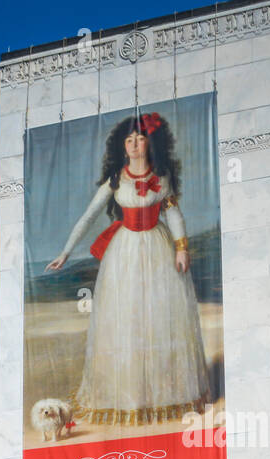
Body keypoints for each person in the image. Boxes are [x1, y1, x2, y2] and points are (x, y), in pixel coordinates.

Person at [45, 112, 212, 426]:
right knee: (127, 319)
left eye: (140, 138)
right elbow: (88, 216)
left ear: (151, 142)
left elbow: (174, 215)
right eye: (130, 139)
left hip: (159, 249)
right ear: (122, 146)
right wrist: (65, 252)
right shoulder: (115, 180)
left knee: (160, 318)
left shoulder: (161, 178)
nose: (135, 144)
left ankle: (162, 395)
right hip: (124, 253)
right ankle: (129, 395)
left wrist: (181, 247)